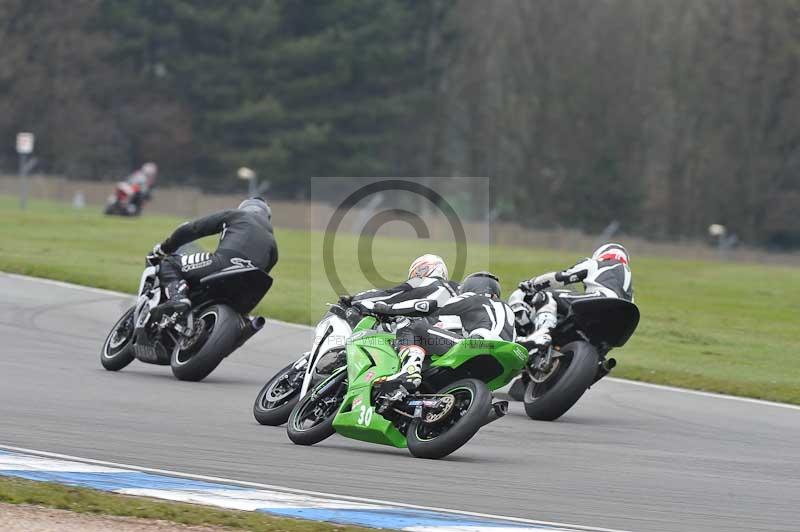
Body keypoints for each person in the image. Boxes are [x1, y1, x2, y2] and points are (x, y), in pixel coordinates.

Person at [369, 271, 515, 406]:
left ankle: (410, 371)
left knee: (411, 326)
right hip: (506, 355)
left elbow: (431, 307)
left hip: (478, 344)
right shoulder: (508, 308)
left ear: (471, 287)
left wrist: (388, 309)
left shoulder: (473, 298)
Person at [149, 197, 278, 316]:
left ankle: (177, 297)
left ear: (244, 208)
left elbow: (193, 229)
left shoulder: (236, 215)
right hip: (251, 288)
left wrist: (165, 248)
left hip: (224, 262)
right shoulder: (273, 244)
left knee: (170, 263)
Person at [517, 242, 634, 352]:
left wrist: (532, 284)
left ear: (601, 254)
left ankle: (543, 332)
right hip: (623, 320)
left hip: (600, 300)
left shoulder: (596, 263)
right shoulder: (629, 285)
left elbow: (561, 277)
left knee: (547, 295)